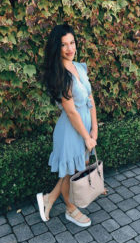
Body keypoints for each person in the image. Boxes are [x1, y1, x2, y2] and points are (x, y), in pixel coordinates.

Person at [37, 24, 105, 227]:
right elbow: (71, 111)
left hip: (85, 127)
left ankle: (49, 199)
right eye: (63, 45)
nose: (69, 48)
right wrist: (86, 136)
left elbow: (90, 98)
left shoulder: (80, 67)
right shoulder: (59, 74)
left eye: (72, 43)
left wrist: (95, 127)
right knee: (69, 171)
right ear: (56, 48)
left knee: (75, 168)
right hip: (70, 130)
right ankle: (70, 209)